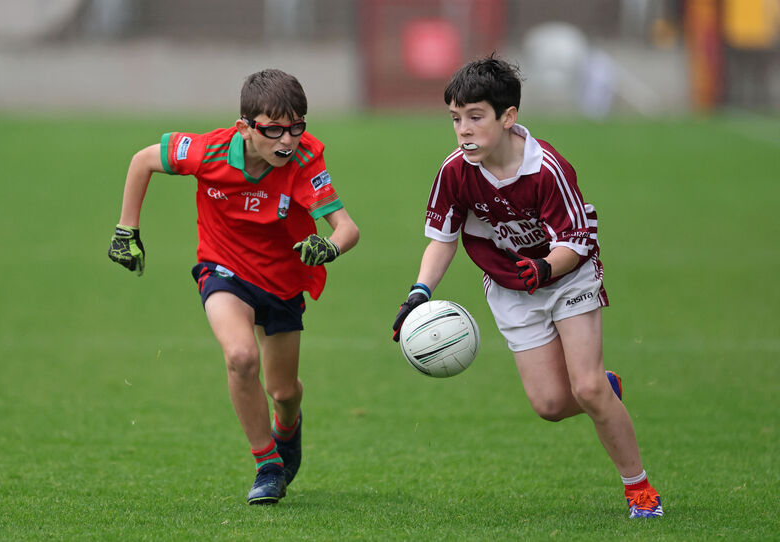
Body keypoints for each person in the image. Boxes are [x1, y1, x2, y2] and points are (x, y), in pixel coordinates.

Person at [392, 55, 662, 519]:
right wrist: (419, 292)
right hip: (511, 287)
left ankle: (640, 490)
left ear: (508, 117)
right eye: (456, 119)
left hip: (567, 276)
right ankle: (601, 386)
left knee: (588, 390)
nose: (463, 130)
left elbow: (577, 242)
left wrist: (543, 268)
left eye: (475, 117)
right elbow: (442, 240)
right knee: (552, 404)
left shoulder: (547, 169)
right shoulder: (455, 172)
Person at [108, 68, 359, 505]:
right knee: (241, 357)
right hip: (223, 270)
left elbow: (347, 228)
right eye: (275, 130)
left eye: (296, 127)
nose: (287, 140)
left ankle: (288, 425)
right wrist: (126, 228)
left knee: (284, 390)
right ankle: (267, 464)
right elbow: (143, 160)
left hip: (282, 281)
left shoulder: (305, 159)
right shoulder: (210, 151)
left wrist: (329, 248)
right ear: (245, 127)